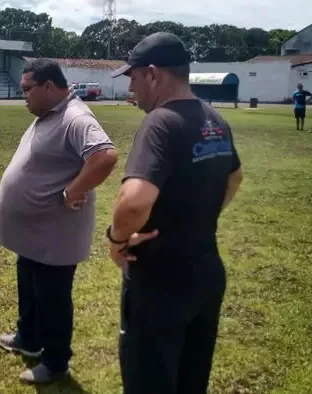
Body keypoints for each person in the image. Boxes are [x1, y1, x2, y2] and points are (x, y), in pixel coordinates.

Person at [0, 58, 157, 384]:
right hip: (34, 233)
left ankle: (55, 362)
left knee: (52, 295)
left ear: (49, 87)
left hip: (55, 233)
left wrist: (72, 191)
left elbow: (104, 155)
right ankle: (29, 337)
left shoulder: (75, 117)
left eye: (27, 89)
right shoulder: (51, 112)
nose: (22, 94)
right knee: (28, 281)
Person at [109, 32, 243, 394]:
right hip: (206, 272)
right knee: (189, 380)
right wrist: (197, 216)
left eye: (132, 78)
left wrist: (116, 240)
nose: (131, 90)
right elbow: (235, 176)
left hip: (161, 280)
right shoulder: (214, 119)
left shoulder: (160, 122)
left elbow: (134, 201)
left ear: (153, 74)